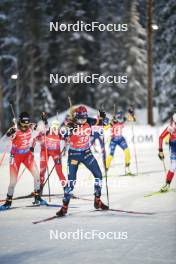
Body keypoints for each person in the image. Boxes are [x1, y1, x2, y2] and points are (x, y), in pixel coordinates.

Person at [56, 105, 109, 217]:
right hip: (74, 155)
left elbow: (105, 123)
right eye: (80, 119)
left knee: (98, 174)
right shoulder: (71, 124)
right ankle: (64, 206)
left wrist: (103, 117)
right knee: (71, 181)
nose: (82, 121)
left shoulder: (89, 121)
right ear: (76, 117)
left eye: (84, 119)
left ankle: (97, 200)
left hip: (86, 153)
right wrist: (66, 132)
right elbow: (61, 134)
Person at [0, 112, 47, 211]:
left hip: (27, 155)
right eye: (23, 124)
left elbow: (43, 128)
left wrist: (43, 120)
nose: (25, 127)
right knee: (13, 181)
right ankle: (8, 202)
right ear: (19, 122)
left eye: (27, 124)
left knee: (36, 175)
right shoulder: (14, 129)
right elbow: (3, 141)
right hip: (15, 156)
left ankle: (37, 197)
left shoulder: (31, 126)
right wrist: (8, 134)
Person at [32, 118, 66, 192]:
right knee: (42, 171)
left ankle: (66, 188)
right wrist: (32, 147)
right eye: (54, 127)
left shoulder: (60, 133)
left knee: (59, 171)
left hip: (56, 153)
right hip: (45, 152)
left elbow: (68, 138)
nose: (55, 129)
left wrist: (68, 140)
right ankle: (39, 188)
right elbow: (35, 139)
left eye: (57, 128)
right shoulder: (46, 132)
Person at [158, 113, 176, 192]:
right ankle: (167, 184)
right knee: (173, 166)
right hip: (174, 147)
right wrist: (160, 151)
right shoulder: (171, 127)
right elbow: (161, 137)